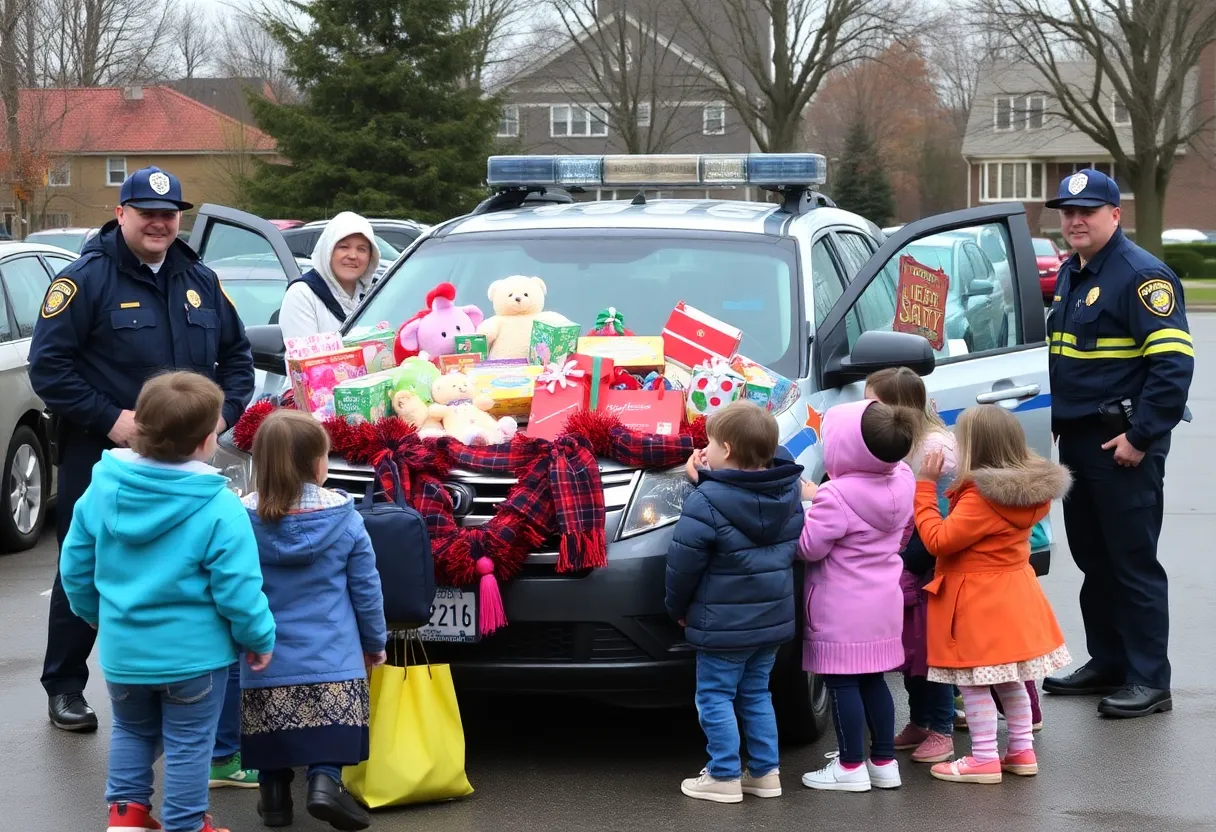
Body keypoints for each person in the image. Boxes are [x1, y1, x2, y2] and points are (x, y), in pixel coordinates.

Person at [28, 166, 256, 743]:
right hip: (102, 451)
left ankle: (182, 684)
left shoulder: (200, 279)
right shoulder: (85, 281)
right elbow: (48, 368)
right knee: (86, 560)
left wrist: (220, 417)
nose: (159, 223)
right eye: (147, 213)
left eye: (169, 214)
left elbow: (237, 358)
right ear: (121, 214)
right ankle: (65, 685)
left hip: (188, 459)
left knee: (188, 563)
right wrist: (113, 420)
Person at [57, 371, 275, 832]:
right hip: (195, 659)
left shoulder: (103, 488)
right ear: (204, 442)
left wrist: (93, 614)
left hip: (124, 653)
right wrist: (258, 637)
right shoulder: (219, 506)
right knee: (189, 743)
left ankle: (126, 815)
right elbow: (238, 589)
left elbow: (74, 565)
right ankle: (186, 823)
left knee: (131, 730)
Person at [1040, 168, 1193, 718]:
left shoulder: (1141, 276)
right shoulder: (1072, 272)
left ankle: (1150, 680)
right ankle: (1108, 661)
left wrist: (1142, 435)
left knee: (1132, 563)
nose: (1075, 220)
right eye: (1068, 212)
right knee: (1093, 559)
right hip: (1079, 440)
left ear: (1115, 214)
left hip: (1123, 444)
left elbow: (1173, 366)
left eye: (1087, 212)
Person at [241, 409, 387, 830]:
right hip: (333, 658)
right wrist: (374, 643)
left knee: (271, 732)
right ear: (317, 464)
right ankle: (325, 783)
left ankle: (274, 798)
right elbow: (366, 590)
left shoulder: (241, 519)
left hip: (265, 659)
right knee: (329, 731)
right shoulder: (345, 519)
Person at [914, 405, 1071, 784]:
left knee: (973, 682)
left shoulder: (981, 497)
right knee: (1009, 679)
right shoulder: (1025, 492)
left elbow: (938, 540)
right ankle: (1021, 750)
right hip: (1015, 595)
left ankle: (983, 757)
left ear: (976, 447)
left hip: (977, 601)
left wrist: (925, 487)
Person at [665, 401, 805, 804]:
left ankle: (724, 774)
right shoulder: (789, 492)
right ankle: (765, 773)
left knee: (715, 696)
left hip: (723, 626)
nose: (704, 450)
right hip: (771, 622)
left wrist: (677, 609)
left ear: (726, 449)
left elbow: (683, 566)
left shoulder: (705, 501)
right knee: (757, 694)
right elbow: (744, 498)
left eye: (709, 443)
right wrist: (708, 480)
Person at [797, 398, 916, 793]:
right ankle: (883, 761)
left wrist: (808, 506)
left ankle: (849, 766)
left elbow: (809, 547)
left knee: (842, 684)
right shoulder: (904, 479)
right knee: (873, 681)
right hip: (883, 603)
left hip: (840, 607)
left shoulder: (835, 495)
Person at [863, 368, 959, 764]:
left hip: (928, 568)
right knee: (911, 651)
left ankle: (942, 729)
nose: (866, 412)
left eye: (873, 404)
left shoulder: (931, 450)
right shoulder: (904, 442)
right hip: (908, 565)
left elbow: (933, 516)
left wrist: (906, 560)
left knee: (932, 653)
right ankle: (920, 720)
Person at [277, 212, 380, 340]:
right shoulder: (303, 294)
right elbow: (303, 352)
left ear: (371, 256)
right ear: (328, 251)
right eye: (344, 247)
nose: (353, 256)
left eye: (362, 249)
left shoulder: (376, 295)